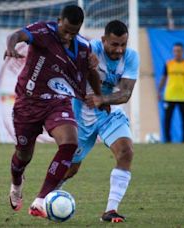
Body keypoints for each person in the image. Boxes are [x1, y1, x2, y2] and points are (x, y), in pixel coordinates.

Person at [5, 5, 102, 218]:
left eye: (73, 32)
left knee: (70, 143)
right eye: (65, 30)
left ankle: (40, 200)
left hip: (57, 102)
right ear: (59, 21)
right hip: (28, 103)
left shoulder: (84, 47)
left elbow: (91, 71)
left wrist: (99, 95)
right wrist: (11, 46)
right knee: (23, 155)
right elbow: (16, 35)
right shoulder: (43, 32)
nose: (68, 36)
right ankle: (16, 183)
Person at [61, 20, 139, 223]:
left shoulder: (131, 57)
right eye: (114, 44)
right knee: (71, 168)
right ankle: (46, 198)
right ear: (103, 40)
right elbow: (71, 37)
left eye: (123, 44)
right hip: (81, 115)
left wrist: (102, 99)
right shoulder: (92, 48)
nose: (119, 49)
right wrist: (86, 54)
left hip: (109, 112)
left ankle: (110, 210)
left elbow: (125, 93)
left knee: (126, 151)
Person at [158, 42, 184, 143]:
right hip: (170, 96)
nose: (176, 53)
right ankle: (168, 141)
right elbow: (163, 79)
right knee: (167, 120)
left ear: (183, 52)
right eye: (175, 51)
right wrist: (159, 91)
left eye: (179, 51)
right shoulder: (168, 64)